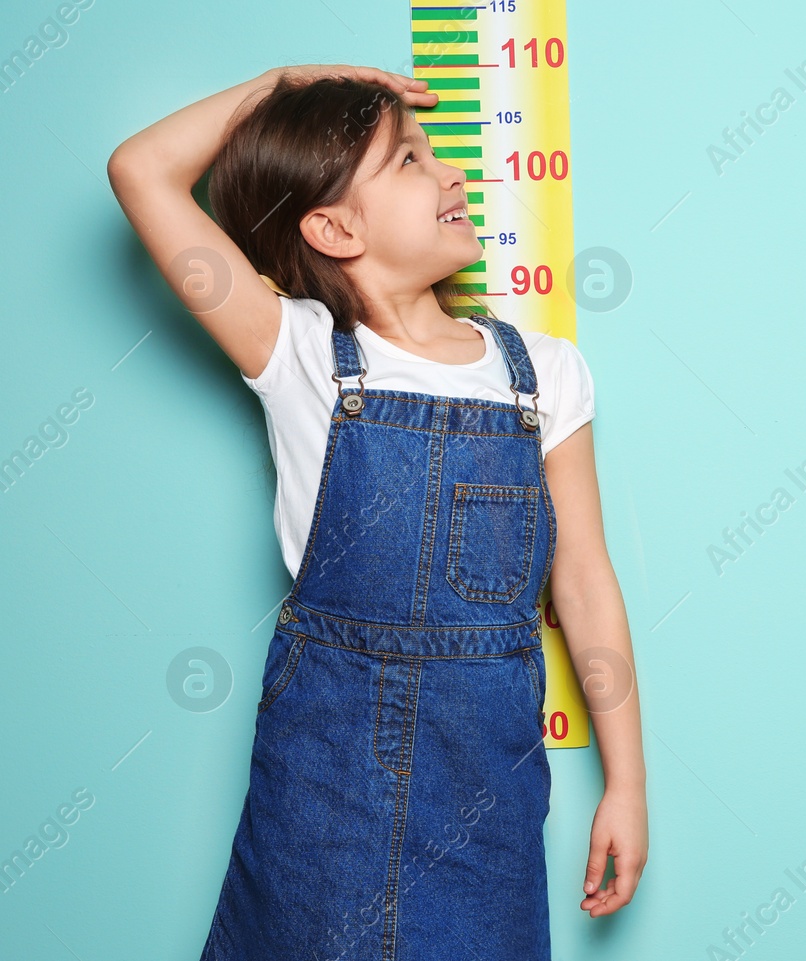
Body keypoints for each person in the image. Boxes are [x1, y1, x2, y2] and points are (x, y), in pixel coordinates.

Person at [106, 64, 646, 959]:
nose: (452, 174)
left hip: (485, 788)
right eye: (408, 160)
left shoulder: (545, 374)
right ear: (334, 227)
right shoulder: (299, 354)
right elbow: (141, 171)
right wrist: (286, 83)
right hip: (325, 784)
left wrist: (626, 782)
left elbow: (584, 578)